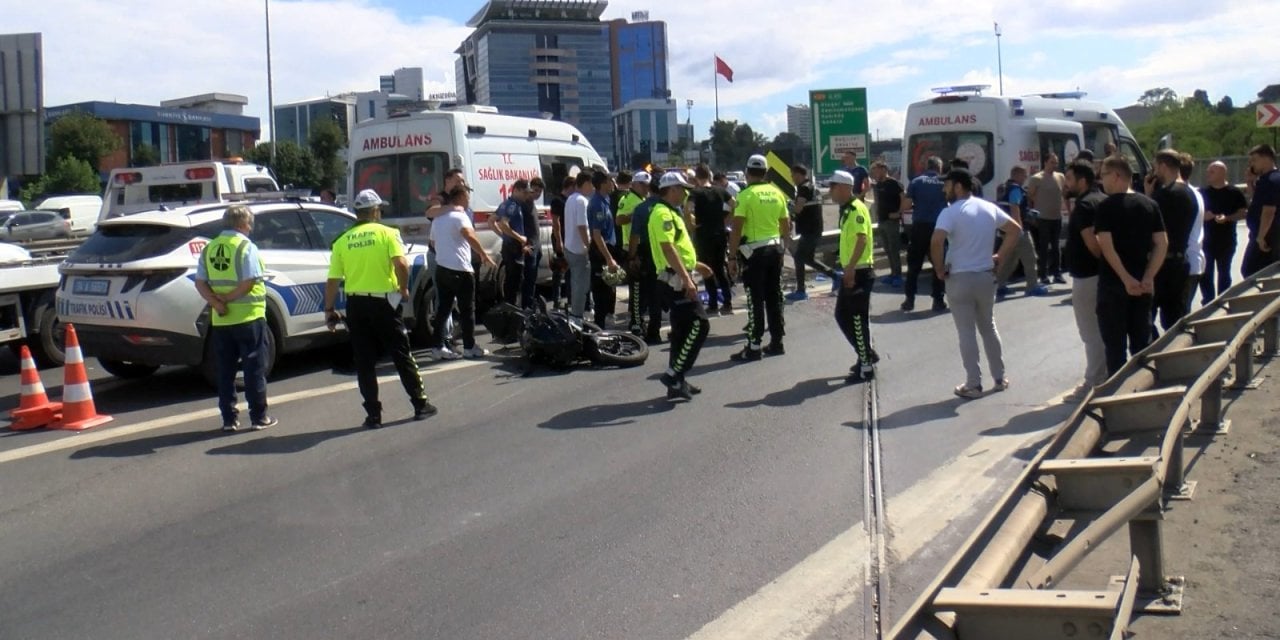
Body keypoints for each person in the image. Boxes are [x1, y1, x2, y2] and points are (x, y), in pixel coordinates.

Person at [323, 189, 436, 428]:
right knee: (401, 354)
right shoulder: (387, 233)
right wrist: (404, 288)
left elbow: (333, 280)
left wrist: (329, 308)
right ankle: (420, 404)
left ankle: (373, 415)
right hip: (384, 302)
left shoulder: (343, 240)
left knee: (364, 361)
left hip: (356, 304)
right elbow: (402, 264)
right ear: (375, 211)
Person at [930, 168, 1020, 399]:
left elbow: (937, 241)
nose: (944, 189)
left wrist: (939, 268)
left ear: (958, 186)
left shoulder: (949, 213)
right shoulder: (988, 207)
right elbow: (1015, 230)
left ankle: (973, 384)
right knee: (988, 326)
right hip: (985, 276)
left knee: (966, 331)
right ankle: (999, 378)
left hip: (959, 277)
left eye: (947, 184)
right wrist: (999, 256)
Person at [194, 204, 277, 432]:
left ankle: (229, 420)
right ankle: (259, 417)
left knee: (225, 372)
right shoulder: (245, 247)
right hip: (249, 318)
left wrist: (216, 303)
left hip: (221, 321)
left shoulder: (210, 248)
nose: (250, 228)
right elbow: (249, 282)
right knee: (254, 369)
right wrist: (228, 298)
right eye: (249, 224)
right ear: (242, 224)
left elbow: (200, 282)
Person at [1094, 156, 1168, 376]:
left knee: (1115, 348)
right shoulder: (1150, 204)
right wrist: (1148, 276)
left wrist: (1126, 279)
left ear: (1117, 176)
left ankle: (1119, 397)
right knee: (1141, 344)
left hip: (1114, 286)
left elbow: (1107, 247)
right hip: (1143, 286)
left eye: (1104, 174)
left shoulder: (1106, 206)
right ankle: (1142, 389)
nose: (1101, 180)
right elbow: (1162, 243)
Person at [650, 171, 711, 400]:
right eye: (683, 189)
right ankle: (674, 373)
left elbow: (678, 247)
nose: (685, 193)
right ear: (672, 189)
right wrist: (687, 279)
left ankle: (677, 382)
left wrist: (696, 264)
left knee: (681, 332)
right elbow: (668, 248)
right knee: (700, 324)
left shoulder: (670, 212)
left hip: (677, 277)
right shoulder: (662, 213)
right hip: (675, 282)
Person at [729, 154, 791, 361]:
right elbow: (786, 227)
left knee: (755, 299)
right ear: (765, 173)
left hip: (754, 254)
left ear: (747, 173)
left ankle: (754, 346)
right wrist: (783, 250)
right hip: (775, 250)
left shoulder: (745, 196)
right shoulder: (777, 193)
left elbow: (736, 229)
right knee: (775, 297)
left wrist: (731, 257)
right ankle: (777, 342)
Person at [428, 183, 497, 360]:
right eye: (467, 196)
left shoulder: (438, 219)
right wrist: (483, 254)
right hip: (460, 268)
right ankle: (469, 346)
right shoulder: (460, 216)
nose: (468, 200)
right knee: (467, 309)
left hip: (442, 268)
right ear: (459, 198)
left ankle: (437, 346)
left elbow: (434, 243)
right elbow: (470, 235)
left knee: (443, 309)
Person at [1062, 161, 1108, 399]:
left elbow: (1094, 245)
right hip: (1101, 276)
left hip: (1088, 277)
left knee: (1090, 331)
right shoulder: (1102, 199)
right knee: (1102, 329)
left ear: (1082, 181)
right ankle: (1103, 375)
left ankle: (1094, 382)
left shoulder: (1084, 206)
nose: (1066, 184)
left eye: (1069, 179)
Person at [830, 170, 879, 383]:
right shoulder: (846, 210)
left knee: (857, 319)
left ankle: (866, 366)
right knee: (843, 315)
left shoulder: (856, 209)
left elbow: (861, 239)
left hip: (858, 271)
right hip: (853, 269)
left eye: (832, 187)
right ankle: (865, 353)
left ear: (843, 187)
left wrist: (849, 268)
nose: (830, 191)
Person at [1144, 149, 1196, 333]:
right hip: (1180, 261)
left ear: (1163, 166)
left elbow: (1149, 224)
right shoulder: (1190, 193)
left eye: (1155, 167)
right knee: (1175, 320)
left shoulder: (1164, 195)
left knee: (1145, 317)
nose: (1154, 172)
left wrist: (1148, 195)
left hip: (1162, 264)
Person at [902, 156, 948, 312]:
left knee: (914, 266)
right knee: (938, 265)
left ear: (927, 166)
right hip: (939, 227)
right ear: (939, 168)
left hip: (919, 227)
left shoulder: (916, 181)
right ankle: (938, 300)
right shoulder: (945, 182)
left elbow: (907, 205)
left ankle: (909, 300)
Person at [1199, 161, 1248, 303]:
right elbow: (1193, 214)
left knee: (1224, 273)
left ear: (1222, 173)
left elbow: (1243, 212)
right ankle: (1208, 301)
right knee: (1206, 274)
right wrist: (1204, 216)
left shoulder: (1234, 192)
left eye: (1212, 171)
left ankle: (1224, 300)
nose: (1208, 174)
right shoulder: (1203, 193)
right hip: (1206, 241)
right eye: (1208, 171)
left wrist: (1227, 218)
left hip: (1226, 241)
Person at [688, 164, 735, 314]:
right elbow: (735, 204)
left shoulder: (695, 193)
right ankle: (727, 302)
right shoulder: (720, 191)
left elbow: (688, 209)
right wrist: (727, 219)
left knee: (706, 270)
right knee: (720, 269)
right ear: (709, 174)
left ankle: (713, 303)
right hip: (720, 233)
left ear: (696, 176)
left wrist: (692, 224)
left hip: (703, 235)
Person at [995, 166, 1047, 297]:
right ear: (1017, 175)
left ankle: (999, 284)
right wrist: (1019, 229)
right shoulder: (1015, 190)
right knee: (1030, 258)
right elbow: (1015, 208)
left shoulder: (1004, 188)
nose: (1025, 179)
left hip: (1005, 229)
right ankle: (1032, 286)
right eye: (1024, 176)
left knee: (1010, 259)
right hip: (1017, 230)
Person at [787, 164, 833, 301]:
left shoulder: (804, 188)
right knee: (808, 258)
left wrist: (789, 207)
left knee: (799, 257)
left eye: (792, 175)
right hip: (813, 228)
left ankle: (801, 290)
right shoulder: (811, 187)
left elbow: (799, 208)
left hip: (809, 230)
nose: (792, 178)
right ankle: (836, 276)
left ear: (799, 174)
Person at [627, 179, 664, 343]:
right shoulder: (668, 208)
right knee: (662, 293)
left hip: (647, 253)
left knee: (646, 292)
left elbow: (634, 236)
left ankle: (644, 327)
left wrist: (632, 256)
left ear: (649, 188)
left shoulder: (641, 209)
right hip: (666, 253)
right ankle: (657, 330)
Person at [616, 171, 650, 333]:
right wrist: (635, 215)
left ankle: (640, 317)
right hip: (631, 246)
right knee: (636, 287)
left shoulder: (644, 200)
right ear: (634, 184)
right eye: (642, 184)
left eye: (647, 185)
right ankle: (635, 321)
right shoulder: (627, 199)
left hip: (644, 246)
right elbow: (619, 219)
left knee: (644, 288)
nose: (645, 188)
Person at [1025, 153, 1067, 285]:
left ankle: (1057, 273)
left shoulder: (1060, 177)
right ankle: (1043, 274)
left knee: (1056, 246)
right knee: (1043, 247)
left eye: (1056, 162)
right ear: (1045, 162)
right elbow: (1029, 196)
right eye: (1052, 162)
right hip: (1042, 218)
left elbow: (1064, 194)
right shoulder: (1036, 178)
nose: (1054, 165)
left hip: (1056, 217)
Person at [493, 179, 535, 308]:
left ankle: (510, 312)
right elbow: (503, 224)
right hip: (514, 250)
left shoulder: (505, 204)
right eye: (524, 193)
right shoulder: (513, 206)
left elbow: (491, 221)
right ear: (516, 190)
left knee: (512, 283)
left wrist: (504, 236)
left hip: (510, 247)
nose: (526, 196)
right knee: (514, 285)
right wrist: (519, 238)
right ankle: (511, 315)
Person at [587, 171, 622, 327]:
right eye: (610, 180)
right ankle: (599, 327)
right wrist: (608, 258)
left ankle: (605, 322)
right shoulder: (597, 204)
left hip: (609, 247)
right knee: (601, 291)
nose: (613, 183)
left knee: (609, 289)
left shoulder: (606, 200)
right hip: (601, 251)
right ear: (602, 183)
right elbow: (596, 234)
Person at [1243, 144, 1280, 277]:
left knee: (1251, 272)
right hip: (1261, 234)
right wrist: (1250, 183)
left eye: (1254, 160)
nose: (1252, 164)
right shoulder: (1264, 180)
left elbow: (1269, 211)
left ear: (1266, 158)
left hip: (1267, 236)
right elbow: (1257, 202)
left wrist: (1261, 236)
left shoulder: (1271, 180)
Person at [1177, 152, 1205, 311]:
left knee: (1180, 316)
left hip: (1186, 261)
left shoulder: (1183, 195)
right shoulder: (1195, 192)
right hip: (1194, 260)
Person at [564, 172, 594, 321]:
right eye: (591, 184)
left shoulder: (570, 199)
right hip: (579, 249)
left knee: (576, 282)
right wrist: (589, 246)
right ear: (586, 183)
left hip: (569, 246)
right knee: (581, 285)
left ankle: (577, 313)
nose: (593, 188)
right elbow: (582, 226)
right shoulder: (582, 201)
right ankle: (577, 315)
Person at [871, 161, 905, 286]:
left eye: (877, 170)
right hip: (882, 220)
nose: (875, 172)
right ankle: (892, 273)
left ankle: (898, 275)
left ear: (884, 170)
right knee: (887, 249)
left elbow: (904, 198)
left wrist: (899, 213)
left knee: (894, 249)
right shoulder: (879, 184)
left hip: (892, 221)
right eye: (874, 170)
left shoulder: (894, 183)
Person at [549, 175, 575, 308]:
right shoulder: (558, 201)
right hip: (561, 237)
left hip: (569, 237)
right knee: (559, 269)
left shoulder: (570, 200)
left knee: (570, 270)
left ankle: (570, 299)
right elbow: (556, 222)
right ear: (570, 186)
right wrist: (559, 241)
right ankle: (556, 300)